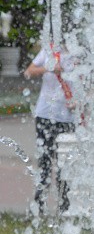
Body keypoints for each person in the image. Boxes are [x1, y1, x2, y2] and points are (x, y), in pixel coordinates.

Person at [23, 42, 77, 215]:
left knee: (65, 164)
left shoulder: (78, 54)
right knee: (45, 161)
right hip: (45, 115)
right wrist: (49, 68)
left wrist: (80, 102)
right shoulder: (49, 51)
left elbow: (88, 84)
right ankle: (38, 207)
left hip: (67, 117)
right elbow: (28, 72)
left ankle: (64, 208)